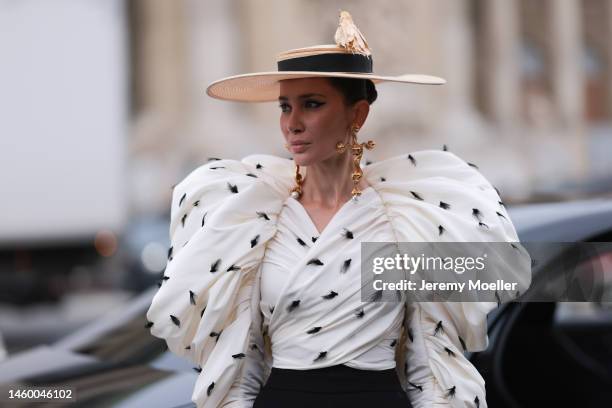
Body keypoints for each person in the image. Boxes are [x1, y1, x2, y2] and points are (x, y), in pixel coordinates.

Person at [145, 11, 531, 408]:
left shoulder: (403, 223)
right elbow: (240, 374)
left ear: (357, 114)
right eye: (284, 106)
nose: (292, 124)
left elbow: (430, 371)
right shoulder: (255, 224)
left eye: (311, 104)